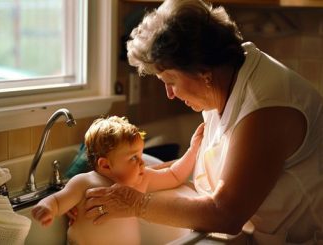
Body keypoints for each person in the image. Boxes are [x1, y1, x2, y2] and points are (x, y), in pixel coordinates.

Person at [83, 0, 323, 244]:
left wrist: (136, 204)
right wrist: (118, 180)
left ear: (202, 72)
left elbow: (226, 214)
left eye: (171, 81)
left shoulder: (266, 108)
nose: (170, 94)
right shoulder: (222, 81)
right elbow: (217, 170)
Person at [31, 115, 204, 245]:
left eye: (140, 154)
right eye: (134, 158)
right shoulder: (84, 183)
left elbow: (174, 175)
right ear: (105, 165)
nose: (142, 162)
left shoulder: (140, 180)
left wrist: (193, 149)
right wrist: (47, 208)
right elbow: (57, 200)